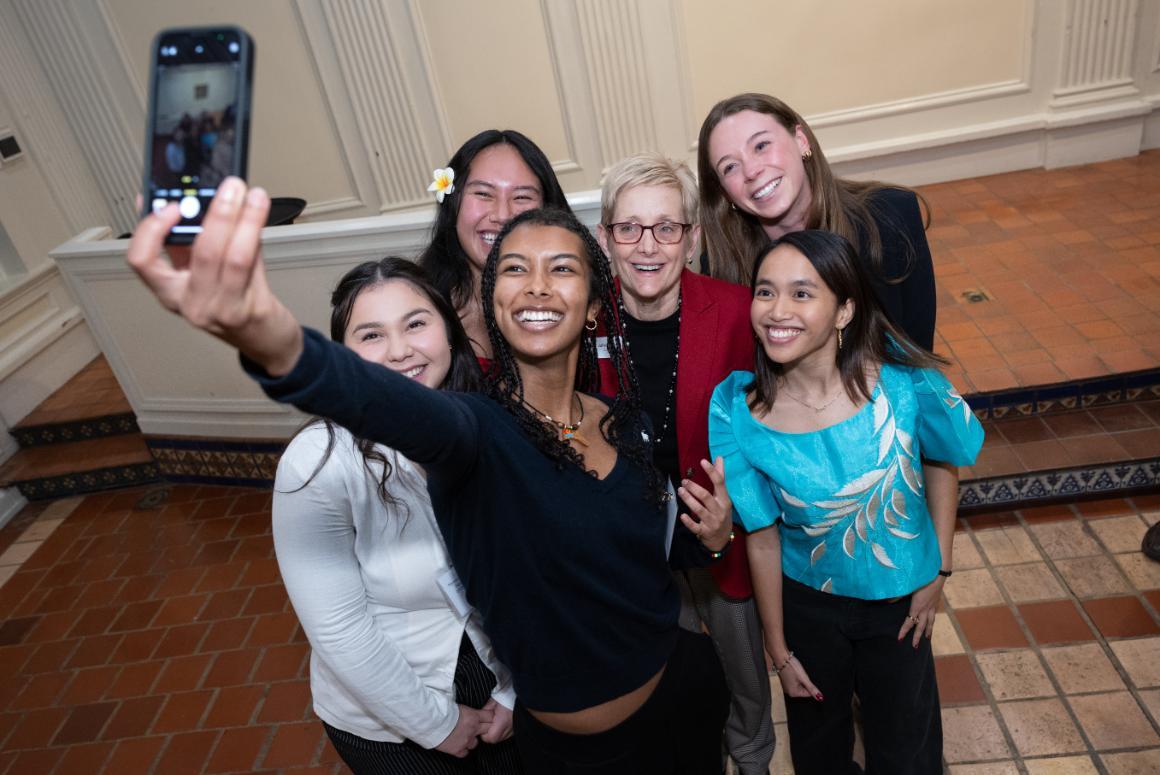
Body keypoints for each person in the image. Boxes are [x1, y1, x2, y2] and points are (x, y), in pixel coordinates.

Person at [127, 180, 732, 774]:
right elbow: (381, 400)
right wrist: (272, 340)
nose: (539, 286)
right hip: (585, 754)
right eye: (516, 270)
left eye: (563, 269)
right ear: (493, 299)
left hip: (686, 693)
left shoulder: (621, 418)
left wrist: (712, 538)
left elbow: (637, 553)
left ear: (597, 302)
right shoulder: (472, 433)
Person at [708, 230, 983, 774]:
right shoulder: (738, 410)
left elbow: (941, 461)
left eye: (802, 293)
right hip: (808, 609)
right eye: (765, 292)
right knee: (819, 752)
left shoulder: (903, 383)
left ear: (844, 311)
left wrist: (940, 570)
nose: (777, 310)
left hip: (899, 606)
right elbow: (761, 536)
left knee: (907, 749)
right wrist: (779, 649)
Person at [272, 257, 522, 774]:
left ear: (448, 332)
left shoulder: (496, 423)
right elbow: (340, 629)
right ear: (344, 357)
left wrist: (516, 689)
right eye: (371, 335)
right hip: (388, 712)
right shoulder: (317, 464)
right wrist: (435, 724)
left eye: (415, 323)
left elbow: (533, 572)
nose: (400, 350)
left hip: (501, 673)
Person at [595, 153, 773, 775]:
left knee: (745, 688)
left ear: (692, 238)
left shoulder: (736, 312)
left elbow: (771, 435)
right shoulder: (581, 320)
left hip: (724, 541)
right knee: (669, 694)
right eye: (630, 228)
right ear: (605, 238)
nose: (649, 246)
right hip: (632, 556)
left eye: (667, 227)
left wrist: (736, 516)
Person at [697, 93, 937, 350]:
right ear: (724, 192)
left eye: (761, 146)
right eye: (730, 167)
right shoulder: (722, 266)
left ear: (801, 141)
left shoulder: (889, 217)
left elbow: (916, 353)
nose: (752, 171)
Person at [418, 130, 571, 364]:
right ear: (453, 202)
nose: (502, 215)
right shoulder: (417, 309)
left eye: (522, 197)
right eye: (483, 194)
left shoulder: (572, 303)